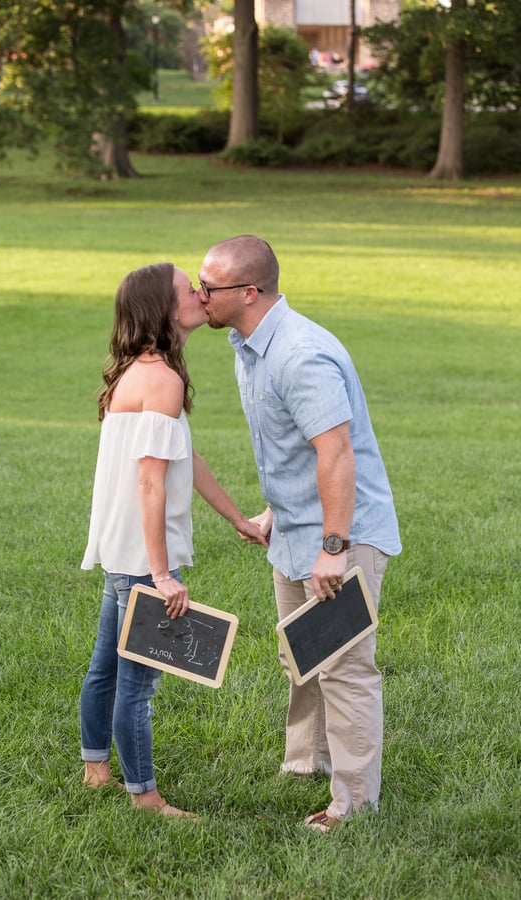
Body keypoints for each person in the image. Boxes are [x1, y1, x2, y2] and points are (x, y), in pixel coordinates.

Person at [198, 235, 401, 832]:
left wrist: (333, 549)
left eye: (208, 286)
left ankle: (354, 802)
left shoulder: (300, 355)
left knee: (343, 666)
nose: (197, 294)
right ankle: (306, 760)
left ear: (248, 292)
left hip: (340, 536)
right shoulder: (249, 344)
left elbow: (335, 453)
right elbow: (287, 446)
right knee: (301, 654)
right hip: (293, 530)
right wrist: (271, 510)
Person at [79, 262, 267, 818]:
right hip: (141, 557)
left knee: (106, 668)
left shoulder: (142, 371)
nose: (201, 294)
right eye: (190, 289)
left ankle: (96, 769)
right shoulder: (162, 379)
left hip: (121, 549)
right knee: (137, 684)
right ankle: (146, 798)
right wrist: (161, 576)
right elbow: (149, 481)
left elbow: (185, 458)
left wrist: (237, 518)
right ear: (165, 309)